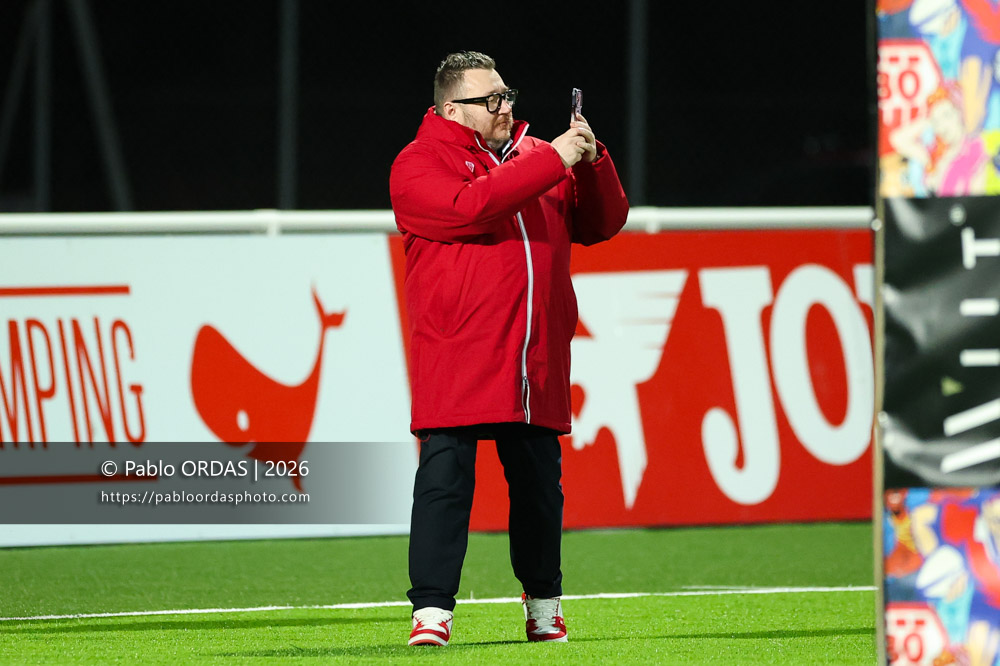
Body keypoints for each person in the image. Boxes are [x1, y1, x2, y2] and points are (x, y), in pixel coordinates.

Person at [389, 51, 628, 647]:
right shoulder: (417, 163)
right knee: (445, 483)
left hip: (531, 356)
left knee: (539, 491)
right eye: (489, 99)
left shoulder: (535, 157)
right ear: (451, 109)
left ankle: (543, 605)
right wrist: (553, 159)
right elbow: (471, 208)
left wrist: (593, 161)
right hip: (457, 351)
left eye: (507, 96)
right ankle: (432, 612)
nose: (504, 107)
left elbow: (604, 223)